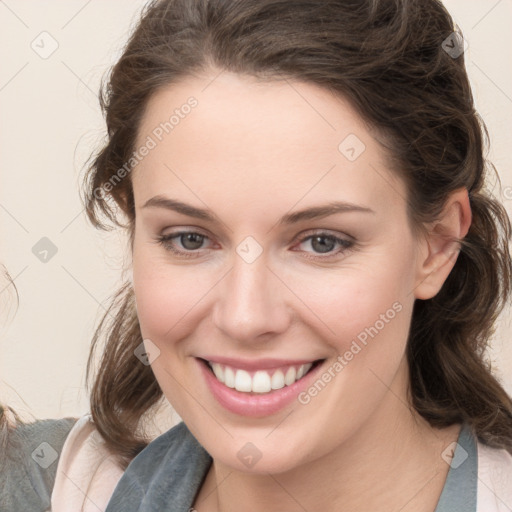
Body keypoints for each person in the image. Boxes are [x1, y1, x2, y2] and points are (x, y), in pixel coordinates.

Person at [50, 0, 512, 510]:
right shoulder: (46, 486)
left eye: (322, 242)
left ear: (438, 243)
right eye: (190, 238)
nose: (246, 318)